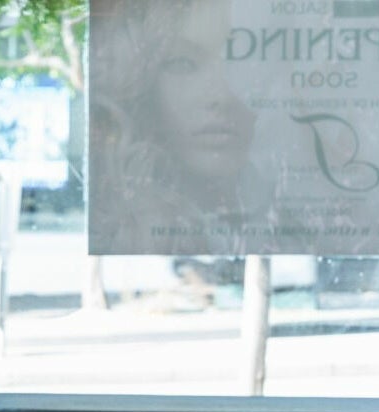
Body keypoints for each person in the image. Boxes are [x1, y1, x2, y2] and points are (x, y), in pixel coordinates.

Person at [89, 0, 277, 258]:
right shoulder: (119, 229)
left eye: (242, 60)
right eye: (183, 64)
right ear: (142, 82)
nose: (220, 96)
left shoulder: (288, 218)